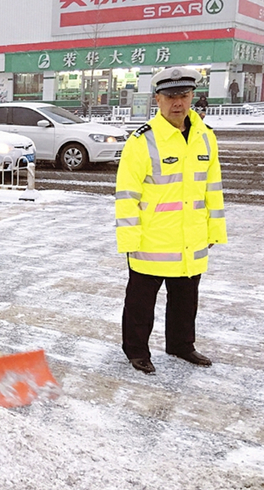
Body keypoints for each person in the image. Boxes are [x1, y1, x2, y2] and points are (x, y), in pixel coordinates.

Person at [115, 67, 227, 375]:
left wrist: (214, 230)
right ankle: (136, 351)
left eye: (184, 96)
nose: (178, 103)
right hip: (151, 239)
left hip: (191, 238)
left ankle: (181, 345)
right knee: (140, 303)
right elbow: (126, 195)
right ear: (158, 100)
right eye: (171, 97)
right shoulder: (143, 141)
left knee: (186, 299)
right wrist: (128, 240)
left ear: (192, 97)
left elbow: (212, 188)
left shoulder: (206, 137)